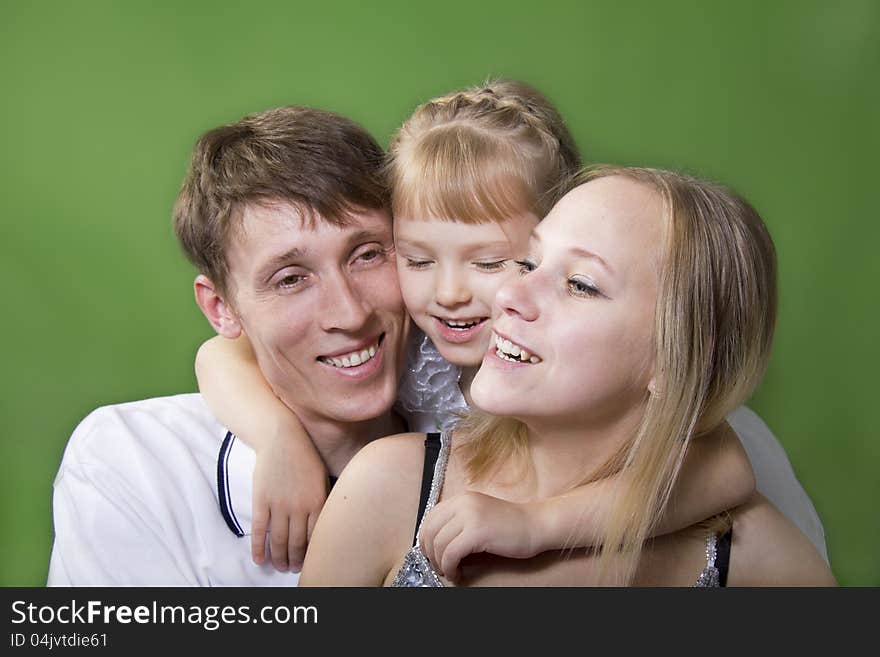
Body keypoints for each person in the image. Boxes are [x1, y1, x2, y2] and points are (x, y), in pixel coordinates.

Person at [196, 81, 827, 575]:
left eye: (499, 261)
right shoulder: (414, 350)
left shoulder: (625, 381)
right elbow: (223, 354)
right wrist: (280, 438)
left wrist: (541, 524)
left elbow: (723, 468)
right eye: (415, 258)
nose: (449, 293)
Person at [298, 166, 837, 587]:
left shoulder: (764, 562)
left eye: (580, 284)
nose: (508, 295)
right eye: (529, 264)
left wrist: (541, 527)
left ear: (678, 359)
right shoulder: (389, 489)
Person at [47, 105, 410, 585]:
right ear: (221, 308)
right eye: (290, 279)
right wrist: (281, 437)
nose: (350, 313)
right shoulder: (135, 464)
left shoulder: (478, 419)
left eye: (366, 254)